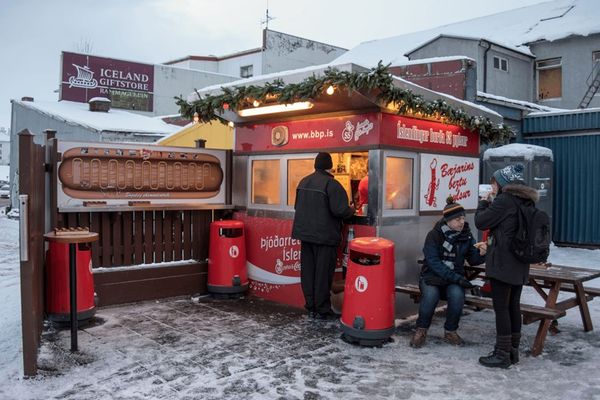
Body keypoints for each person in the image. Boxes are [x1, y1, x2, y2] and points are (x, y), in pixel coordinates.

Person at [475, 164, 538, 368]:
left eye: (493, 182)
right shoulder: (526, 201)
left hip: (503, 262)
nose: (492, 186)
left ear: (502, 183)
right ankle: (513, 351)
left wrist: (484, 203)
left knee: (501, 307)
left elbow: (481, 222)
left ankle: (502, 354)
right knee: (513, 306)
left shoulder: (504, 200)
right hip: (520, 262)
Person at [410, 196, 486, 348]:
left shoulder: (466, 236)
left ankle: (450, 331)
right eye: (458, 219)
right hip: (431, 277)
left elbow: (473, 260)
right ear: (448, 220)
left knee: (458, 295)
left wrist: (484, 253)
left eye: (463, 218)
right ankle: (421, 330)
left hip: (452, 279)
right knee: (431, 295)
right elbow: (434, 263)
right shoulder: (434, 235)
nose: (462, 222)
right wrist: (458, 279)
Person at [292, 152, 355, 320]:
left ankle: (311, 306)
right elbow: (341, 210)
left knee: (308, 272)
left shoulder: (303, 182)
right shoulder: (332, 185)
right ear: (330, 166)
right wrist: (352, 209)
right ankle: (322, 309)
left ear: (315, 165)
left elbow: (297, 206)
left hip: (306, 235)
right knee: (322, 274)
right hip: (325, 237)